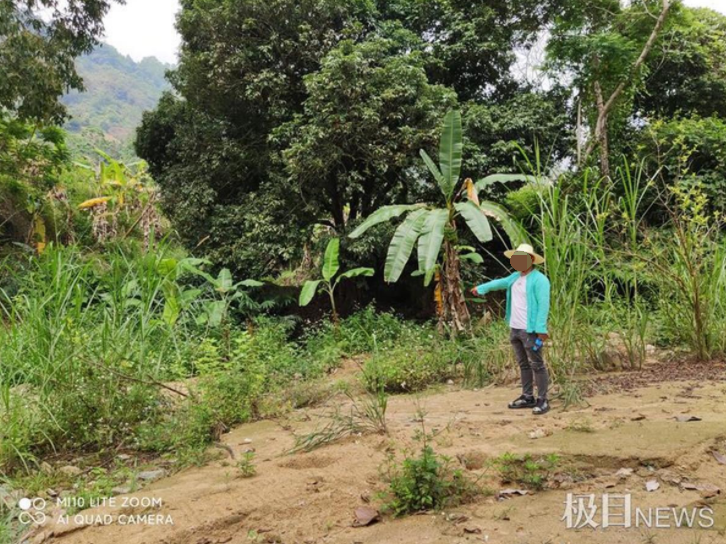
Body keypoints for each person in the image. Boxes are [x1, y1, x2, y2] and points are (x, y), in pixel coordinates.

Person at [470, 243, 551, 415]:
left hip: (530, 330)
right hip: (515, 328)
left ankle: (543, 399)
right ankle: (527, 396)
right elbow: (499, 283)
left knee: (537, 364)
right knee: (523, 364)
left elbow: (544, 305)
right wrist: (481, 288)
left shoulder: (540, 280)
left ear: (530, 260)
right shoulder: (514, 277)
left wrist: (541, 329)